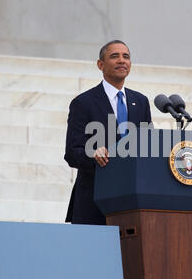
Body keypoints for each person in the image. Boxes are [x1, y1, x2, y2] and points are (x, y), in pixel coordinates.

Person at [64, 40, 152, 225]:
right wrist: (93, 155)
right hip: (94, 201)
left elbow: (148, 146)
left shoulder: (141, 102)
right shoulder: (83, 103)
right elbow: (72, 153)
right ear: (100, 65)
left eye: (126, 56)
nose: (122, 60)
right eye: (114, 56)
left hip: (132, 202)